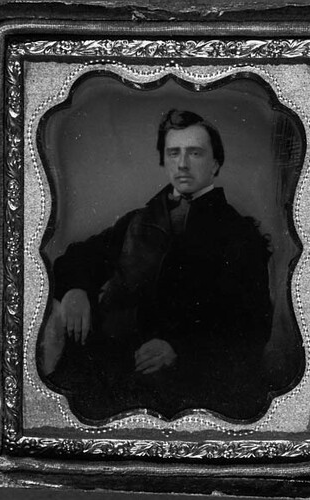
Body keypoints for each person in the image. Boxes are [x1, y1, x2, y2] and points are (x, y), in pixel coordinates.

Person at [38, 109, 272, 420]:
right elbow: (77, 258)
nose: (183, 164)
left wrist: (179, 350)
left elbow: (253, 325)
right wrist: (75, 289)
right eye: (174, 153)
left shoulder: (240, 234)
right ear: (164, 160)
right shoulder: (138, 220)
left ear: (216, 163)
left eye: (195, 153)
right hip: (112, 363)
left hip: (188, 381)